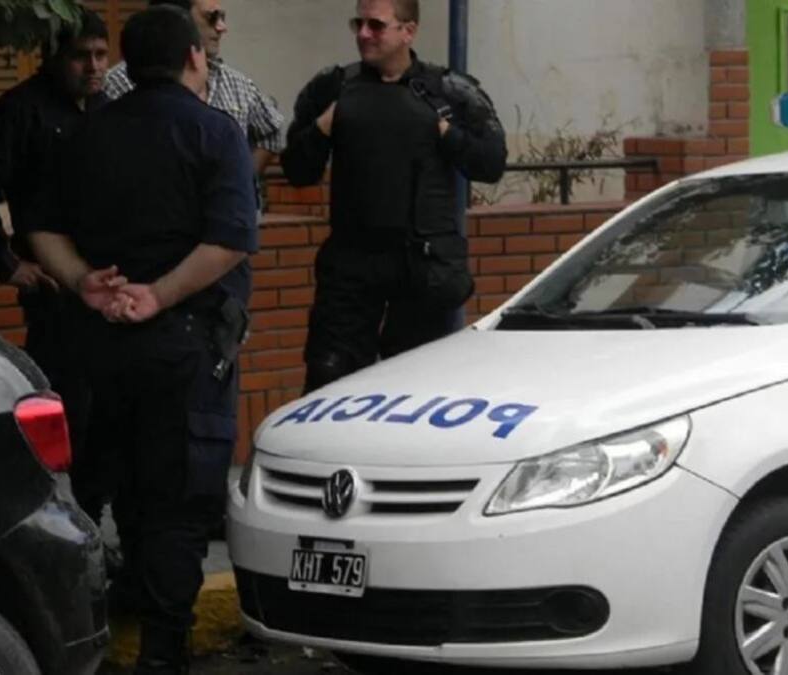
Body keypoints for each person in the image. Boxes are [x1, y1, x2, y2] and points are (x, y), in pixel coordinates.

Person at [28, 6, 257, 672]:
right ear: (194, 58)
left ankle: (116, 622)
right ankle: (162, 649)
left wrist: (83, 281)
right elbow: (230, 239)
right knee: (179, 505)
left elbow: (39, 227)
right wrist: (159, 294)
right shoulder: (214, 132)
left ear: (126, 63)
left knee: (121, 489)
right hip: (186, 347)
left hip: (100, 345)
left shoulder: (85, 133)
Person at [283, 0, 507, 393]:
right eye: (358, 23)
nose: (363, 34)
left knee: (417, 389)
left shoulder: (448, 91)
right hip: (351, 267)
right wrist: (324, 126)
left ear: (409, 31)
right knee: (329, 382)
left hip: (422, 269)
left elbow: (491, 164)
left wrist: (444, 133)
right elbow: (297, 170)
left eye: (376, 25)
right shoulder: (334, 87)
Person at [0, 10, 110, 520]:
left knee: (110, 420)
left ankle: (97, 520)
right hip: (55, 297)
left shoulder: (110, 110)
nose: (93, 67)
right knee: (67, 415)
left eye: (101, 55)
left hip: (110, 292)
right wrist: (8, 264)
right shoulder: (20, 111)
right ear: (53, 57)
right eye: (81, 57)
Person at [104, 0, 284, 176]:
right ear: (177, 18)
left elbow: (272, 132)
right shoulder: (118, 83)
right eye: (212, 17)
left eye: (222, 17)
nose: (222, 27)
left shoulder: (237, 83)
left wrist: (243, 179)